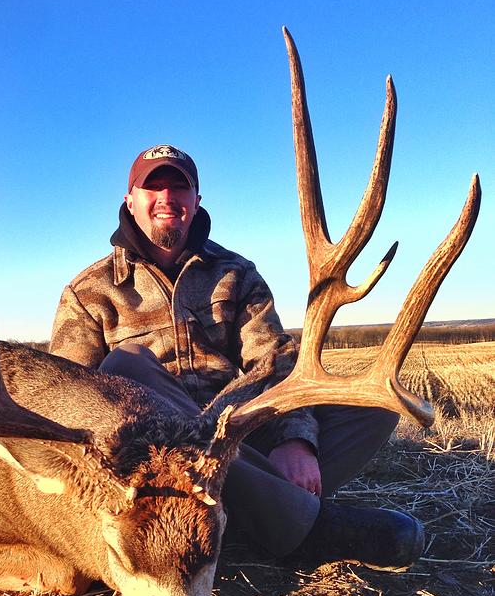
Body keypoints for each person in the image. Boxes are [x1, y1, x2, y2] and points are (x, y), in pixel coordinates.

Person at [50, 145, 424, 570]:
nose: (167, 197)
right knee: (126, 366)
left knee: (374, 405)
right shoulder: (89, 292)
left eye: (179, 186)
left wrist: (295, 439)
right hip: (152, 469)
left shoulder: (236, 273)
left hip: (239, 432)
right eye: (152, 186)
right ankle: (299, 528)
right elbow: (65, 399)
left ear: (196, 200)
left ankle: (241, 511)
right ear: (129, 200)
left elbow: (275, 360)